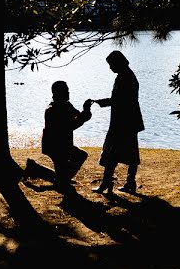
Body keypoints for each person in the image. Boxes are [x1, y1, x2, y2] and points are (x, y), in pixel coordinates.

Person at [92, 50, 144, 194]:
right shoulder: (126, 75)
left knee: (112, 153)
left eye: (111, 64)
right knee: (130, 153)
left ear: (117, 63)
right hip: (129, 121)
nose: (110, 68)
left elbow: (119, 101)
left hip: (123, 122)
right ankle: (129, 182)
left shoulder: (124, 78)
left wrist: (101, 102)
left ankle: (107, 183)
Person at [41, 80, 93, 188]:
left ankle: (61, 178)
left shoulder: (66, 105)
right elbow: (72, 125)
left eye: (68, 91)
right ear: (59, 93)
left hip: (63, 144)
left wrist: (85, 111)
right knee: (78, 157)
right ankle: (62, 179)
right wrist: (85, 113)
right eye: (66, 91)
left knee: (64, 169)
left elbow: (78, 117)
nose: (68, 93)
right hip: (54, 146)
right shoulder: (52, 110)